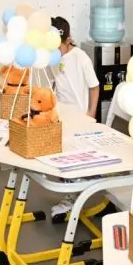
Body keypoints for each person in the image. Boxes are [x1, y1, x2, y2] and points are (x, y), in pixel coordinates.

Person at [48, 16, 99, 218]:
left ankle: (72, 199)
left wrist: (91, 113)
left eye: (58, 47)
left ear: (68, 40)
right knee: (62, 157)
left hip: (80, 117)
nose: (55, 52)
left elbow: (94, 87)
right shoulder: (52, 57)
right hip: (62, 115)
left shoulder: (80, 57)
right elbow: (58, 83)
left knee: (73, 159)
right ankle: (71, 195)